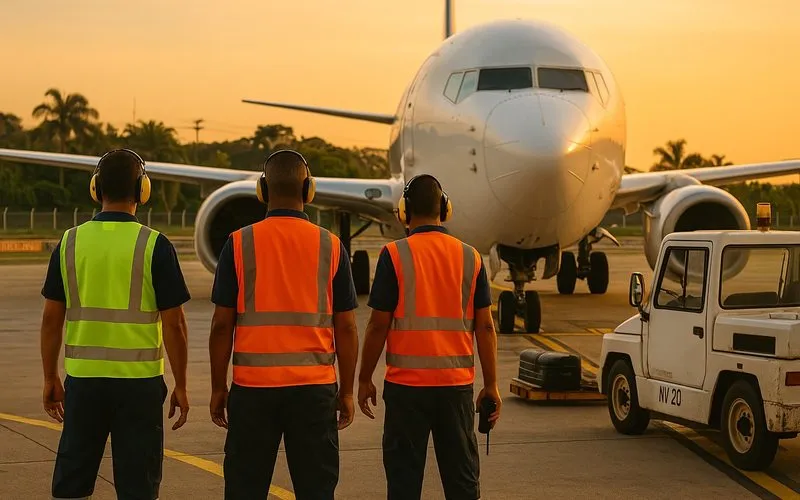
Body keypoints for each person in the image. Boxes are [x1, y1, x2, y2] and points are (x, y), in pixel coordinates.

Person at [40, 149, 191, 500]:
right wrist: (181, 384)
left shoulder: (69, 242)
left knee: (72, 481)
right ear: (143, 190)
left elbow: (51, 319)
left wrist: (50, 377)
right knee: (139, 485)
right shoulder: (155, 245)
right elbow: (175, 326)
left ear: (96, 188)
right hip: (139, 386)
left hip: (84, 382)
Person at [208, 149, 360, 500]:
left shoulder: (239, 242)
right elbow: (348, 329)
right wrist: (347, 391)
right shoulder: (331, 245)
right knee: (317, 489)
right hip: (314, 389)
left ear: (262, 189)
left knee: (245, 488)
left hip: (253, 389)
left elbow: (221, 326)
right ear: (309, 189)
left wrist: (219, 388)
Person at [357, 174, 501, 500]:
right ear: (445, 209)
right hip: (455, 387)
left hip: (406, 389)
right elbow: (486, 327)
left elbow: (377, 326)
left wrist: (364, 378)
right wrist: (490, 384)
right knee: (462, 482)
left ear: (404, 211)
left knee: (404, 481)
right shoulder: (471, 257)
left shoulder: (394, 255)